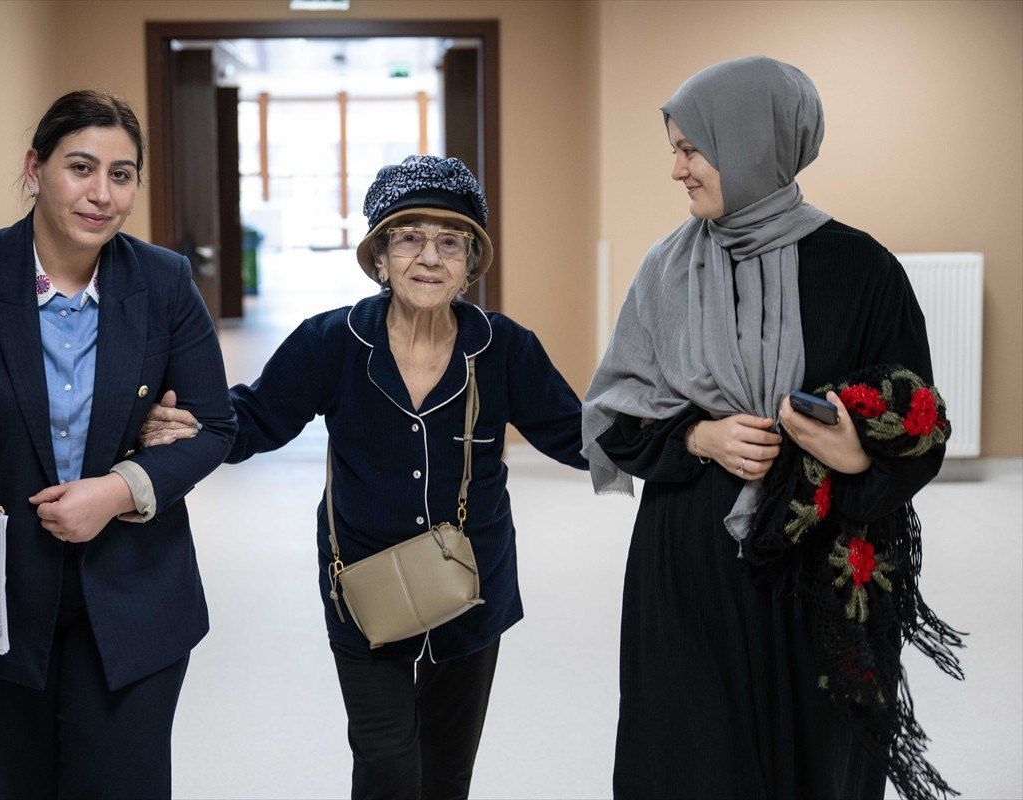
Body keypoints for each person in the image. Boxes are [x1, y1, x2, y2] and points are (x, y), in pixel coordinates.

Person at [143, 155, 587, 799]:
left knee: (446, 772)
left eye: (450, 241)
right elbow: (258, 417)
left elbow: (577, 434)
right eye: (408, 238)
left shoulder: (504, 348)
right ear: (380, 257)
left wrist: (681, 439)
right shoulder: (333, 341)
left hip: (473, 587)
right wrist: (192, 426)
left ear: (470, 263)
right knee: (385, 764)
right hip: (362, 586)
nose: (429, 257)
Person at [582, 57, 947, 799]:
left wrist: (852, 454)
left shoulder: (863, 269)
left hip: (819, 565)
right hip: (691, 565)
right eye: (675, 150)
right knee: (693, 756)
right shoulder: (665, 270)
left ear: (750, 143)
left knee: (817, 756)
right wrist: (697, 438)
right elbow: (615, 414)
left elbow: (919, 424)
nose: (677, 170)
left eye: (692, 149)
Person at [0, 90, 237, 799]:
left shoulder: (163, 281)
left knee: (124, 784)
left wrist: (120, 489)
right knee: (21, 782)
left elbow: (214, 426)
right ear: (35, 168)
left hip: (136, 583)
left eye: (122, 175)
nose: (101, 194)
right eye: (80, 167)